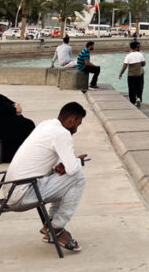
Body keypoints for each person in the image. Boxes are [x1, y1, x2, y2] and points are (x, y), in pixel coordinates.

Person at [5, 102, 88, 252]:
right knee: (78, 178)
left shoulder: (46, 125)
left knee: (64, 177)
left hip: (12, 190)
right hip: (21, 195)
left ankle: (50, 224)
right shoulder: (62, 134)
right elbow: (73, 169)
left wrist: (58, 166)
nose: (76, 129)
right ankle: (56, 228)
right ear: (72, 120)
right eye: (78, 124)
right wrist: (77, 161)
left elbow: (50, 156)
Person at [118, 41, 146, 106]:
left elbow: (124, 66)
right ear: (136, 48)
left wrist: (120, 74)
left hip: (131, 75)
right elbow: (144, 64)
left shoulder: (128, 56)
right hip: (139, 74)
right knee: (139, 87)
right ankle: (139, 98)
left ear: (130, 48)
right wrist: (139, 64)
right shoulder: (140, 54)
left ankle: (133, 101)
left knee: (131, 89)